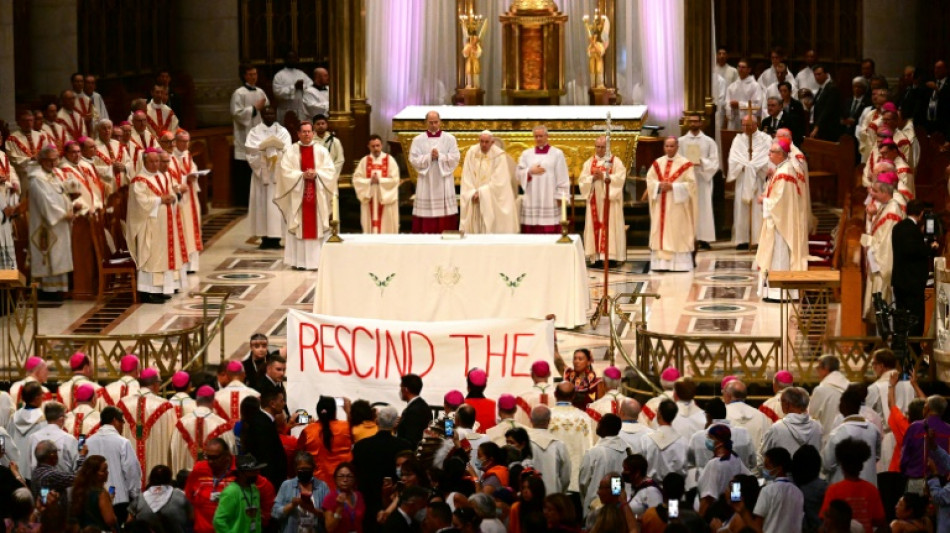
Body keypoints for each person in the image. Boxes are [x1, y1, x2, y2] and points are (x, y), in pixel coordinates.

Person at [127, 148, 189, 303]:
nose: (155, 164)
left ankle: (161, 289)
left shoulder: (163, 175)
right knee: (152, 257)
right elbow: (140, 203)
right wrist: (160, 200)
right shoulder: (139, 181)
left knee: (163, 257)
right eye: (151, 161)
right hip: (149, 225)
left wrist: (172, 197)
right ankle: (148, 292)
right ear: (144, 162)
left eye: (157, 161)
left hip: (165, 224)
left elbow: (170, 193)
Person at [275, 120, 337, 270]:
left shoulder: (321, 151)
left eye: (309, 131)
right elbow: (285, 171)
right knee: (299, 226)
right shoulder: (291, 151)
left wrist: (317, 174)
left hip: (317, 197)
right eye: (304, 132)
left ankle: (317, 262)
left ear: (313, 133)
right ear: (298, 134)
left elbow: (330, 171)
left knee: (317, 226)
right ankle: (299, 262)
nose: (307, 134)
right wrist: (301, 175)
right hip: (298, 198)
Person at [756, 138, 808, 301]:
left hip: (781, 224)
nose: (769, 154)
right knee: (774, 255)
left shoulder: (785, 173)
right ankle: (773, 291)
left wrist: (764, 200)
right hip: (779, 220)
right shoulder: (782, 169)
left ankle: (779, 293)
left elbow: (780, 202)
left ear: (781, 154)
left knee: (779, 255)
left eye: (772, 152)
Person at [352, 405, 412, 531]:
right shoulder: (405, 446)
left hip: (367, 504)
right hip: (395, 505)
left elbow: (355, 474)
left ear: (377, 421)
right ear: (395, 423)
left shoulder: (360, 446)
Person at [115, 368, 176, 483]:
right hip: (157, 477)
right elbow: (172, 442)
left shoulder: (122, 404)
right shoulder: (166, 407)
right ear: (155, 384)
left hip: (127, 475)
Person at [646, 136, 697, 271]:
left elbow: (692, 185)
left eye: (672, 146)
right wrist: (658, 185)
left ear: (677, 147)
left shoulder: (686, 164)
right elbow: (650, 181)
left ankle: (679, 265)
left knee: (677, 232)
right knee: (660, 231)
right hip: (661, 204)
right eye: (667, 146)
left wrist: (673, 187)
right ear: (664, 147)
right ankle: (660, 264)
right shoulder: (657, 163)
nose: (669, 149)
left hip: (677, 205)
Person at [28, 145, 73, 300]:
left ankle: (58, 289)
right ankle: (48, 292)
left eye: (55, 160)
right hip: (46, 226)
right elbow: (45, 203)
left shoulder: (54, 175)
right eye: (49, 160)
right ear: (41, 160)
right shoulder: (37, 179)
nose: (53, 163)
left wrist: (71, 206)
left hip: (59, 224)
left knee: (58, 256)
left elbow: (62, 195)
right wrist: (63, 214)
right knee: (49, 257)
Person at [244, 104, 291, 248]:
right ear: (262, 115)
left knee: (276, 206)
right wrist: (266, 154)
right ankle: (264, 237)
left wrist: (274, 153)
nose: (269, 116)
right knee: (262, 206)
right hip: (262, 176)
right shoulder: (254, 132)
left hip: (277, 175)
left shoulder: (282, 131)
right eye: (267, 114)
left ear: (275, 115)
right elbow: (250, 151)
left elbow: (288, 150)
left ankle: (277, 238)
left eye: (272, 114)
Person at [84, 406, 141, 523]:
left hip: (92, 499)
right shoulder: (123, 443)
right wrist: (135, 497)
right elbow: (132, 471)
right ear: (115, 420)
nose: (122, 426)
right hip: (119, 502)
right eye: (122, 422)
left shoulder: (87, 442)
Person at [409, 111, 461, 233]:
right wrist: (429, 157)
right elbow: (413, 159)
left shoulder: (449, 139)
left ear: (440, 122)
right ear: (426, 123)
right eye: (431, 122)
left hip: (443, 179)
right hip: (426, 180)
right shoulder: (418, 140)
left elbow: (455, 157)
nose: (433, 125)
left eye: (436, 122)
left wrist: (440, 156)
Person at [862, 171, 904, 319]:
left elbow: (886, 244)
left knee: (882, 304)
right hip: (876, 257)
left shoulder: (892, 210)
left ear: (885, 192)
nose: (872, 194)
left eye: (875, 191)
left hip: (882, 264)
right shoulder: (885, 206)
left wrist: (871, 253)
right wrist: (870, 217)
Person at [892, 199, 937, 338]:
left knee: (901, 317)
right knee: (915, 319)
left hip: (899, 280)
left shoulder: (897, 227)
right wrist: (931, 248)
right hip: (913, 282)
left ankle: (901, 346)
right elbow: (913, 251)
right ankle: (914, 349)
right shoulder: (912, 230)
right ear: (921, 213)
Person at [578, 135, 626, 264]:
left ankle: (611, 257)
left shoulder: (616, 161)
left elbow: (620, 179)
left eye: (603, 147)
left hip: (610, 201)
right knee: (595, 226)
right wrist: (592, 178)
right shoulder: (588, 163)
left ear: (608, 147)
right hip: (594, 201)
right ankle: (597, 257)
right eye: (597, 147)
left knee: (609, 225)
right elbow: (582, 180)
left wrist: (604, 176)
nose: (599, 150)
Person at [460, 130, 519, 234]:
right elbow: (467, 175)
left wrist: (482, 193)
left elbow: (500, 181)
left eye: (487, 142)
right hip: (473, 197)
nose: (484, 144)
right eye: (481, 141)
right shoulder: (472, 152)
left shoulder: (499, 155)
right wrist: (472, 192)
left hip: (490, 199)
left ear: (492, 142)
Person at [820, 439, 886, 532]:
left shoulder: (834, 490)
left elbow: (824, 518)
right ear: (861, 466)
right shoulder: (871, 490)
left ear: (842, 466)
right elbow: (879, 520)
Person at [822, 385, 882, 486]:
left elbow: (827, 464)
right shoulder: (873, 429)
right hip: (869, 484)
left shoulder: (838, 433)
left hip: (844, 486)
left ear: (844, 406)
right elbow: (876, 456)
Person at [727, 115, 772, 250]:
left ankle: (757, 239)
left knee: (757, 210)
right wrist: (746, 166)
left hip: (758, 179)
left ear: (756, 124)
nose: (746, 128)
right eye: (744, 125)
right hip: (742, 178)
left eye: (748, 125)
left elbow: (768, 158)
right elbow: (733, 159)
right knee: (741, 209)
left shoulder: (765, 139)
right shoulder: (738, 140)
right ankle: (742, 239)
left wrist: (754, 166)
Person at [517, 125, 570, 234]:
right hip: (532, 197)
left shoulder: (557, 154)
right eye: (536, 136)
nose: (538, 139)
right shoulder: (526, 154)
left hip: (550, 197)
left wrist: (561, 196)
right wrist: (530, 171)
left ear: (547, 136)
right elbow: (518, 173)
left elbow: (562, 175)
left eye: (541, 136)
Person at [170, 385, 235, 474]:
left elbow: (174, 452)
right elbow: (231, 453)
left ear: (196, 402)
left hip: (187, 479)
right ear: (213, 402)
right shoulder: (222, 425)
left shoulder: (181, 424)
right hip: (214, 479)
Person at [678, 114, 720, 250]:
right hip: (686, 180)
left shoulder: (709, 142)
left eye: (696, 121)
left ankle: (704, 238)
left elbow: (715, 162)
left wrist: (702, 162)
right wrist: (686, 164)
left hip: (702, 178)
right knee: (687, 207)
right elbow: (677, 160)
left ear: (701, 123)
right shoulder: (681, 141)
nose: (693, 124)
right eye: (691, 121)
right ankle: (687, 237)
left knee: (703, 208)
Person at [231, 64, 269, 207]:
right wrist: (254, 109)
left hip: (258, 133)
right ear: (244, 76)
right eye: (251, 74)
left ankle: (258, 198)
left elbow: (267, 107)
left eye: (255, 74)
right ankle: (243, 202)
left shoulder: (260, 91)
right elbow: (236, 113)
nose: (254, 77)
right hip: (244, 134)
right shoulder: (239, 93)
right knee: (244, 169)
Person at [696, 424, 751, 517]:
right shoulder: (735, 458)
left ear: (720, 442)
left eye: (711, 437)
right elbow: (738, 484)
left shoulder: (714, 464)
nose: (708, 440)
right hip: (732, 511)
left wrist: (699, 519)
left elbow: (708, 497)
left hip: (717, 514)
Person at [297, 395, 352, 486]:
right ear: (335, 412)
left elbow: (298, 456)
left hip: (317, 486)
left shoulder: (308, 431)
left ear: (317, 412)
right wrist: (349, 412)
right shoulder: (346, 427)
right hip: (344, 484)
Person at [578, 414, 628, 513]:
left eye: (599, 423)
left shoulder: (594, 453)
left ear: (603, 427)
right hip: (620, 505)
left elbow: (584, 482)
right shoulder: (627, 451)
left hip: (596, 505)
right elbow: (617, 482)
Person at [352, 134, 401, 234]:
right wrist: (369, 181)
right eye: (373, 146)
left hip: (385, 199)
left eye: (378, 145)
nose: (376, 148)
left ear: (381, 145)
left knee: (386, 226)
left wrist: (380, 180)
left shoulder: (390, 160)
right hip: (370, 197)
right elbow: (356, 179)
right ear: (368, 147)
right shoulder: (364, 161)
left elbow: (395, 179)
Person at [243, 388, 289, 490]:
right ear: (272, 404)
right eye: (281, 400)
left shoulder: (265, 421)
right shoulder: (262, 424)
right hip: (268, 483)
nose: (284, 404)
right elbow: (265, 457)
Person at [273, 451, 331, 533]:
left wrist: (312, 509)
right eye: (301, 469)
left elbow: (329, 517)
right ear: (295, 469)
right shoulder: (286, 485)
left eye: (307, 469)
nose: (304, 472)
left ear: (313, 468)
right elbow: (275, 513)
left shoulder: (322, 486)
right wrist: (292, 505)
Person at [761, 387, 823, 459]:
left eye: (781, 401)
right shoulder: (818, 427)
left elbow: (763, 454)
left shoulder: (776, 429)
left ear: (787, 404)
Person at [127, 465, 193, 532]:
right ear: (169, 478)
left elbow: (129, 524)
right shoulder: (181, 495)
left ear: (151, 478)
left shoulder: (139, 499)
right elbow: (193, 517)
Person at [214, 454, 267, 533]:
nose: (256, 473)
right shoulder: (231, 492)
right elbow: (219, 521)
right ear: (240, 473)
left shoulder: (254, 489)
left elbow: (257, 519)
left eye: (256, 470)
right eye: (252, 471)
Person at [526, 405, 572, 495]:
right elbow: (565, 476)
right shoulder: (559, 445)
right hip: (553, 496)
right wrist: (560, 492)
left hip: (529, 496)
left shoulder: (524, 443)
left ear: (531, 420)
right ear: (549, 421)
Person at [640, 399, 689, 482]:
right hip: (675, 486)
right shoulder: (683, 441)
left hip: (652, 486)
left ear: (659, 414)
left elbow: (642, 466)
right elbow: (683, 468)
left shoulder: (646, 439)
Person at [27, 402, 80, 476]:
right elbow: (77, 466)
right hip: (63, 481)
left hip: (38, 480)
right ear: (61, 419)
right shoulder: (69, 439)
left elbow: (30, 464)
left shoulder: (33, 437)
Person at [70, 455, 118, 531]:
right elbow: (110, 520)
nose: (107, 472)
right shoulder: (101, 494)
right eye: (103, 470)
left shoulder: (80, 490)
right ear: (93, 473)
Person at [809, 355, 851, 439]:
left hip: (827, 438)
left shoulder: (821, 390)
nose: (817, 371)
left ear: (826, 369)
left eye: (818, 368)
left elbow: (812, 415)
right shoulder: (849, 386)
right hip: (848, 436)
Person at [5, 108, 48, 178]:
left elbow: (47, 151)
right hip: (23, 173)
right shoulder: (12, 139)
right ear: (19, 122)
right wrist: (30, 159)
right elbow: (13, 158)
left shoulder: (41, 136)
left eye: (31, 120)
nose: (28, 123)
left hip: (41, 170)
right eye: (25, 121)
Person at [323, 462, 365, 533]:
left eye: (349, 476)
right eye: (341, 476)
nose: (345, 480)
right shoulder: (330, 498)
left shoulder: (359, 495)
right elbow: (329, 528)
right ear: (335, 479)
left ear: (354, 479)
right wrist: (339, 509)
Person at [273, 51, 313, 123]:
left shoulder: (301, 74)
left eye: (294, 58)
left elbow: (311, 87)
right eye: (290, 58)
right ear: (285, 59)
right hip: (285, 110)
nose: (292, 60)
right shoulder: (279, 75)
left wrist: (302, 87)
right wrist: (294, 87)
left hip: (300, 109)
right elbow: (277, 92)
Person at [725, 58, 765, 129]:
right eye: (739, 67)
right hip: (734, 120)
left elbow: (757, 105)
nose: (740, 69)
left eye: (743, 67)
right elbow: (727, 103)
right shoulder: (732, 86)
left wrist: (739, 105)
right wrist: (730, 108)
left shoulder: (755, 86)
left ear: (749, 70)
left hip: (748, 121)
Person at [515, 360, 554, 426]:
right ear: (549, 373)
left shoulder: (522, 398)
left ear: (532, 375)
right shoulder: (558, 395)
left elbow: (518, 423)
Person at [396, 374, 430, 445]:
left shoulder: (414, 411)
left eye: (401, 387)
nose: (400, 391)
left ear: (405, 389)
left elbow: (411, 440)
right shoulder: (423, 406)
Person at [810, 65, 842, 141]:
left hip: (828, 128)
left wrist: (817, 127)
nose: (817, 77)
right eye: (815, 75)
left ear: (826, 74)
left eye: (819, 74)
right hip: (820, 125)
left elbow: (827, 110)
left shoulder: (832, 88)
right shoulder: (822, 87)